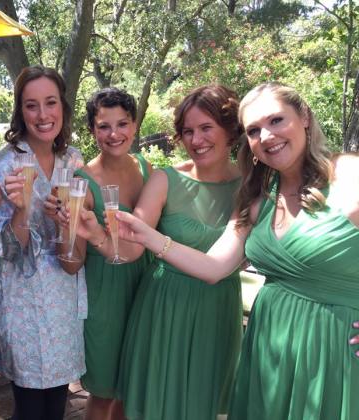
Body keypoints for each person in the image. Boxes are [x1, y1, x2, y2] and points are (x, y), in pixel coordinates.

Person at [115, 83, 359, 419]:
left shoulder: (348, 173)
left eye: (276, 120)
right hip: (269, 347)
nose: (267, 136)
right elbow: (214, 267)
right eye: (254, 130)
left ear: (303, 116)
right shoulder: (257, 197)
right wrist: (147, 235)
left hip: (333, 347)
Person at [76, 85, 244, 419]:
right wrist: (96, 235)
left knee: (204, 402)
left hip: (219, 308)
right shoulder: (164, 179)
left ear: (230, 129)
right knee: (148, 403)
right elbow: (131, 248)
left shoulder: (251, 184)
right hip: (165, 306)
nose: (196, 140)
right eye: (188, 131)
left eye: (206, 128)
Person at [0, 65, 86, 420]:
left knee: (56, 404)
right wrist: (22, 209)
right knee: (29, 407)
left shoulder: (73, 159)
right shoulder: (7, 162)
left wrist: (64, 221)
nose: (42, 115)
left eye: (50, 102)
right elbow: (7, 251)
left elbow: (77, 235)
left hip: (63, 297)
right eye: (31, 105)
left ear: (62, 107)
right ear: (20, 111)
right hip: (21, 300)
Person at [52, 87, 152, 420]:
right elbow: (72, 261)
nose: (114, 134)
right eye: (103, 126)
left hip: (146, 288)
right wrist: (64, 227)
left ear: (135, 125)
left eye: (122, 124)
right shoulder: (81, 182)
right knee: (104, 391)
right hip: (105, 295)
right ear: (92, 130)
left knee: (131, 388)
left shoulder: (146, 168)